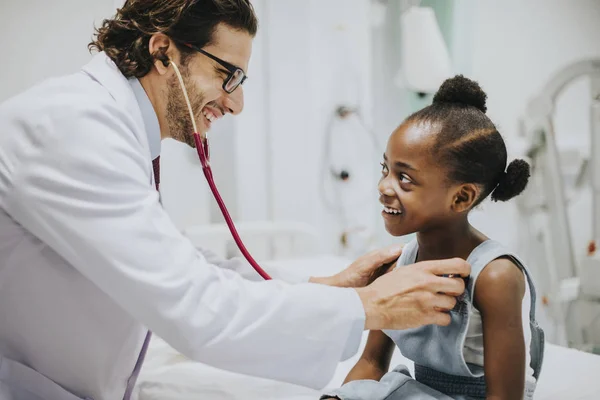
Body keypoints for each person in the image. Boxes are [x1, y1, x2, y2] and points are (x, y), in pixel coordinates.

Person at [0, 1, 470, 400]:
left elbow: (183, 267)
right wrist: (368, 308)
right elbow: (194, 306)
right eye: (227, 74)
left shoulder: (109, 126)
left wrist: (328, 286)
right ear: (162, 51)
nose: (236, 102)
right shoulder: (75, 128)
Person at [322, 76, 545, 400]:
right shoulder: (398, 266)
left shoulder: (495, 277)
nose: (384, 186)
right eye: (386, 169)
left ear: (461, 198)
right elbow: (371, 362)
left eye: (405, 178)